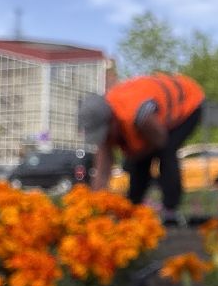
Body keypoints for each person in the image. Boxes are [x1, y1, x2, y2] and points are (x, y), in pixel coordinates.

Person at [79, 73, 204, 221]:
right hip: (153, 119)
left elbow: (160, 140)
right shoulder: (103, 117)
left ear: (112, 120)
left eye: (105, 133)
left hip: (188, 103)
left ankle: (170, 210)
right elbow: (102, 171)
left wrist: (134, 157)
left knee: (165, 152)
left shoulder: (138, 114)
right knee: (138, 162)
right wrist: (94, 209)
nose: (105, 139)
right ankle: (132, 209)